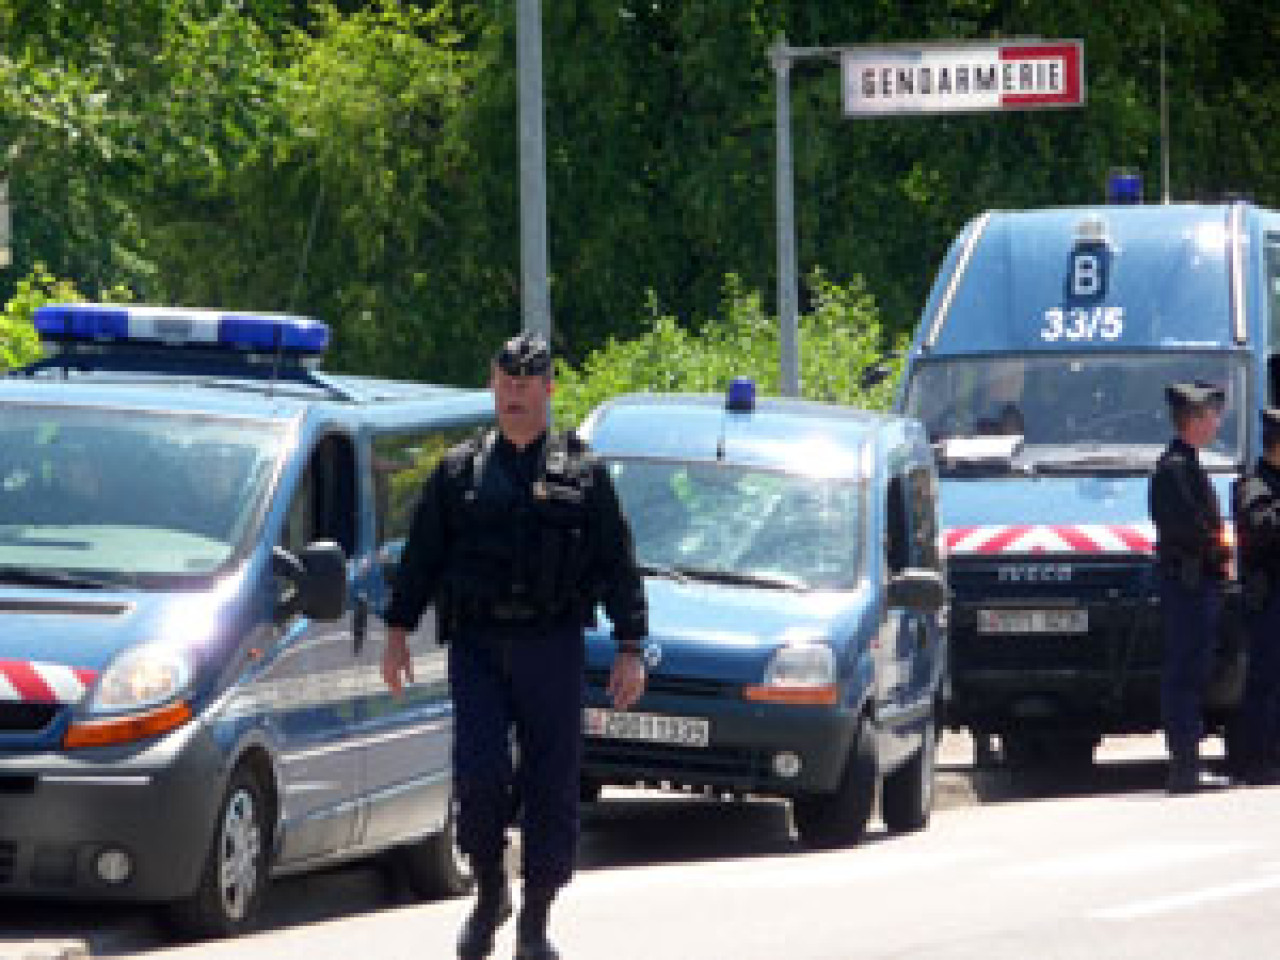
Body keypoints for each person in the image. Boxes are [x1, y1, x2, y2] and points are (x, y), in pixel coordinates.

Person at [381, 333, 648, 960]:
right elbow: (421, 560)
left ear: (549, 390)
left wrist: (632, 644)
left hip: (551, 645)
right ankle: (489, 891)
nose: (515, 395)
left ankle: (535, 919)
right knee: (478, 775)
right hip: (477, 646)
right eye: (505, 384)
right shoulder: (459, 472)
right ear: (492, 387)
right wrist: (397, 635)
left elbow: (617, 563)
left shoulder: (582, 473)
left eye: (527, 385)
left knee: (552, 782)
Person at [1148, 380, 1232, 793]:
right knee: (1185, 673)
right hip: (1189, 584)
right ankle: (1184, 766)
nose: (1216, 421)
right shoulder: (1174, 469)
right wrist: (1220, 548)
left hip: (1199, 584)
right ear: (1192, 421)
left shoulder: (1188, 463)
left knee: (1194, 672)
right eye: (1209, 415)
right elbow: (1188, 530)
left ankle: (1189, 762)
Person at [1232, 408, 1280, 785]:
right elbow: (1260, 526)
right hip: (1268, 599)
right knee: (1264, 682)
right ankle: (1258, 760)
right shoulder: (1254, 483)